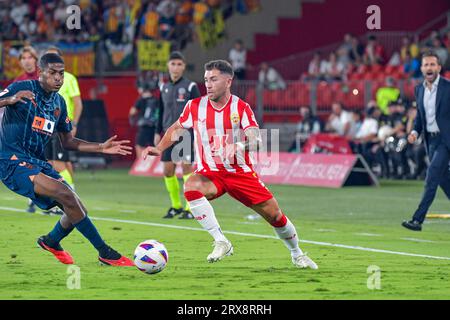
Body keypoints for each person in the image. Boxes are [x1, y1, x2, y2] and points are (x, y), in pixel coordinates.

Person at [142, 60, 318, 269]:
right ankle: (221, 240)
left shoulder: (241, 108)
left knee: (275, 216)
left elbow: (256, 140)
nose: (208, 84)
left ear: (228, 81)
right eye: (206, 80)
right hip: (210, 173)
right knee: (191, 187)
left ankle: (297, 254)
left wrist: (238, 146)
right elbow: (177, 127)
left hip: (240, 173)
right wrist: (160, 148)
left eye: (213, 79)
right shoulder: (195, 106)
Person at [0, 53, 134, 266]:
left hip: (37, 162)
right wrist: (9, 100)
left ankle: (51, 240)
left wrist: (100, 147)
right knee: (65, 195)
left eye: (61, 74)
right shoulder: (22, 88)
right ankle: (105, 252)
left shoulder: (59, 103)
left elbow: (68, 141)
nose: (58, 78)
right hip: (11, 161)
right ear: (40, 72)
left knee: (77, 208)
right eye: (52, 73)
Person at [402, 51, 450, 231]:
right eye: (426, 65)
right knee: (444, 180)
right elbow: (420, 118)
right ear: (421, 69)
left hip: (446, 141)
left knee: (432, 177)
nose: (429, 68)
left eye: (432, 64)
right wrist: (415, 131)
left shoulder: (447, 87)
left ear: (438, 67)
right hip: (431, 142)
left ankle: (417, 219)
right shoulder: (419, 89)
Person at [159, 51, 201, 219]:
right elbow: (160, 111)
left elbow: (199, 112)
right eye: (173, 64)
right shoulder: (164, 87)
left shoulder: (191, 87)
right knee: (168, 170)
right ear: (168, 66)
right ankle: (175, 206)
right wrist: (157, 132)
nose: (175, 67)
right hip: (168, 135)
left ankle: (190, 208)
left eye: (179, 64)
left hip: (186, 134)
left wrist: (197, 134)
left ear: (184, 67)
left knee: (186, 168)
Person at [129, 80, 161, 159]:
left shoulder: (141, 100)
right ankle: (152, 165)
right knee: (153, 147)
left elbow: (132, 112)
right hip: (154, 128)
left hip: (144, 127)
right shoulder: (156, 100)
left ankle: (141, 163)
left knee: (139, 146)